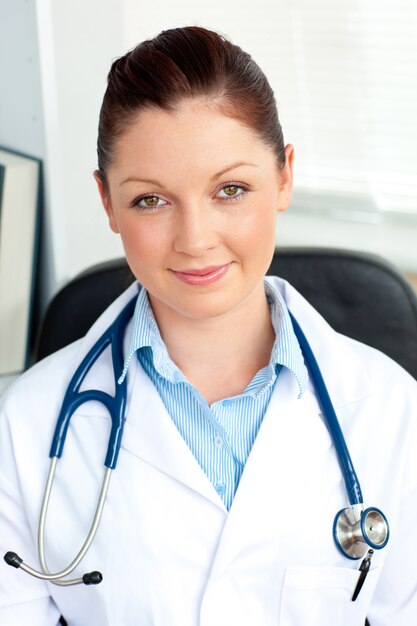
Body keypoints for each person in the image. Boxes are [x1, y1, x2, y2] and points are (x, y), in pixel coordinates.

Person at [0, 25, 416, 626]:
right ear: (107, 202)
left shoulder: (390, 410)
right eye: (151, 200)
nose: (195, 239)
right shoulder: (28, 425)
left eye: (231, 189)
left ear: (284, 177)